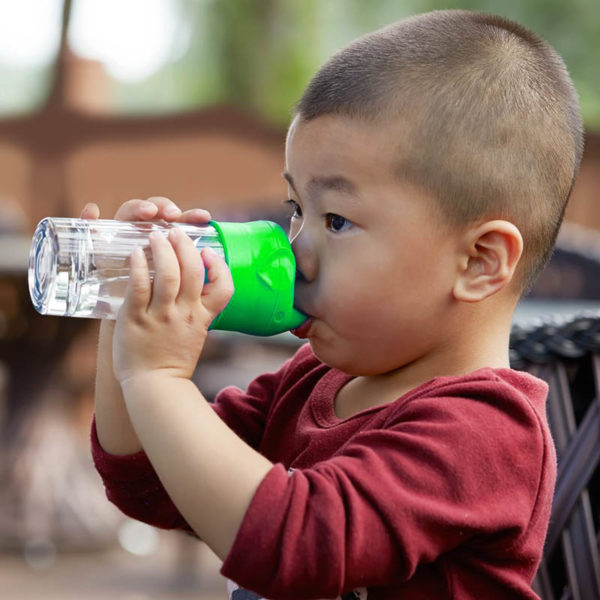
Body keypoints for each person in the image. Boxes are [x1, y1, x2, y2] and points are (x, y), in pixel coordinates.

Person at [84, 10, 583, 600]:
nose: (297, 252)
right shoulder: (312, 382)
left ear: (478, 261)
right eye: (297, 209)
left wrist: (159, 377)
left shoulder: (487, 433)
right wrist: (125, 320)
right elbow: (146, 479)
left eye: (337, 220)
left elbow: (294, 544)